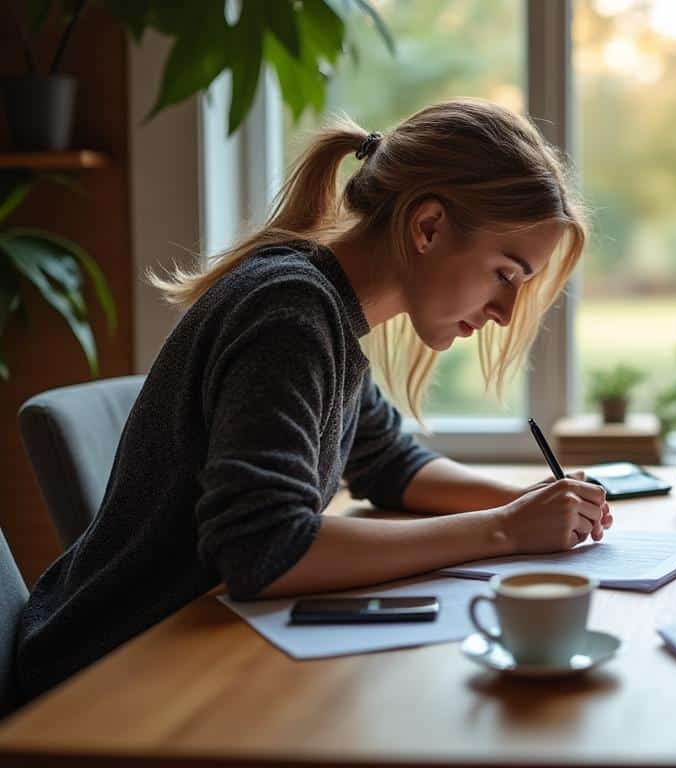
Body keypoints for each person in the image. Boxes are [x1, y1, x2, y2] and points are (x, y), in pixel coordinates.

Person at [16, 99, 612, 702]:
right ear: (427, 226)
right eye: (506, 274)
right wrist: (504, 531)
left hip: (184, 647)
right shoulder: (289, 314)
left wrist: (528, 502)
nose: (507, 313)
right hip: (103, 674)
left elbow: (392, 465)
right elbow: (265, 549)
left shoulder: (325, 309)